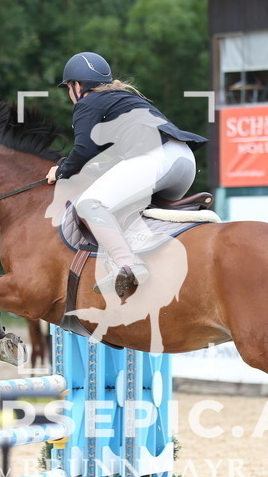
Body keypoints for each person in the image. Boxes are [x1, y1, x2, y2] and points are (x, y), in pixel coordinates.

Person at [46, 51, 207, 298]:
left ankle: (126, 263)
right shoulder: (121, 99)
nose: (70, 94)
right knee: (124, 209)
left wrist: (62, 171)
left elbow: (83, 150)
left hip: (156, 159)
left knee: (90, 204)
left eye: (69, 87)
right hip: (183, 161)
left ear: (77, 86)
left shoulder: (88, 103)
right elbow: (114, 159)